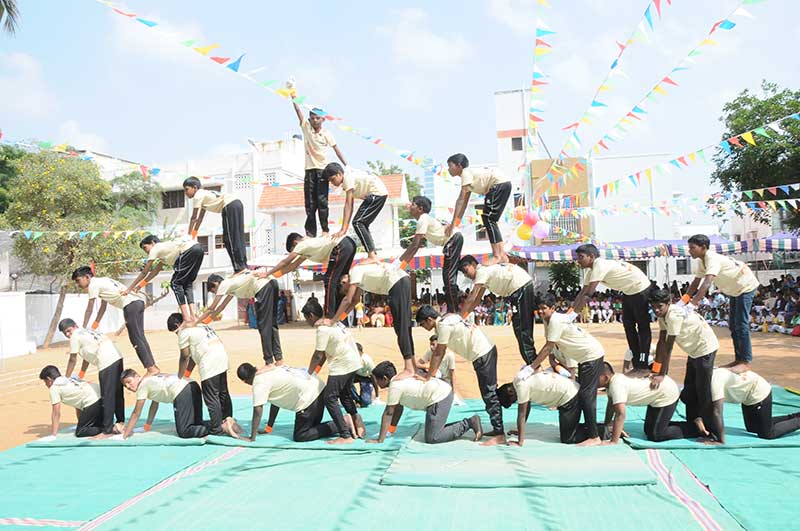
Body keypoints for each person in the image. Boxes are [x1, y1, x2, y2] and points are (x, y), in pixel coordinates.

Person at [526, 294, 605, 447]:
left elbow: (548, 346)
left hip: (591, 355)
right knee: (584, 394)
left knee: (586, 395)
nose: (541, 312)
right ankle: (596, 429)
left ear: (552, 308)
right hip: (583, 357)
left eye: (544, 308)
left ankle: (595, 436)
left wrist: (532, 367)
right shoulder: (547, 320)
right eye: (539, 309)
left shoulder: (555, 320)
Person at [416, 305, 504, 441]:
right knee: (489, 392)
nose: (423, 328)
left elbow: (439, 353)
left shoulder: (443, 326)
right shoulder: (449, 317)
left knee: (489, 393)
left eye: (422, 324)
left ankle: (499, 434)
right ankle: (497, 428)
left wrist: (428, 376)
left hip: (483, 353)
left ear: (429, 320)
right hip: (485, 351)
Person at [649, 288, 720, 440]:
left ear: (668, 303)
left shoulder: (673, 316)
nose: (656, 310)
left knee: (703, 392)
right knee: (689, 391)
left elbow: (669, 346)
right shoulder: (662, 316)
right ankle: (694, 424)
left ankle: (712, 433)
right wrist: (656, 369)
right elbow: (661, 342)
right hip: (694, 352)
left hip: (705, 349)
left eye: (659, 307)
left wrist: (662, 374)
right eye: (653, 306)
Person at [571, 244, 652, 370]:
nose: (578, 260)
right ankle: (637, 364)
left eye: (581, 257)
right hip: (628, 292)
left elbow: (589, 294)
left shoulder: (599, 264)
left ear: (591, 257)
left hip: (641, 288)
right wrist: (569, 314)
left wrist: (571, 316)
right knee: (628, 327)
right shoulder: (591, 271)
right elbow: (582, 292)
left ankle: (643, 363)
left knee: (643, 328)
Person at [685, 234, 760, 371]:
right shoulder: (701, 261)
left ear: (703, 247)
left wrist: (693, 303)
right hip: (735, 290)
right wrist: (684, 301)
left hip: (745, 285)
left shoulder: (712, 258)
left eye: (692, 248)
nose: (689, 250)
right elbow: (696, 283)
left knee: (741, 325)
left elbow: (707, 283)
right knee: (733, 325)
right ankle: (738, 359)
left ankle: (745, 361)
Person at [330, 262, 416, 376]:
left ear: (343, 282)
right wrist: (340, 319)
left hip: (396, 282)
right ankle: (413, 364)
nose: (348, 290)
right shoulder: (360, 278)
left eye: (345, 289)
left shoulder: (354, 272)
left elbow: (348, 300)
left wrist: (332, 321)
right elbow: (355, 300)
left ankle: (409, 368)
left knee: (401, 328)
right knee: (405, 326)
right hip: (401, 279)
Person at [368, 361, 482, 444]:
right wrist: (390, 431)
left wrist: (380, 439)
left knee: (433, 437)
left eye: (377, 380)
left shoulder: (395, 385)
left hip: (440, 396)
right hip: (438, 393)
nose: (376, 383)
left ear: (384, 378)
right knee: (434, 432)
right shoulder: (400, 378)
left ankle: (469, 422)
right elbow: (398, 408)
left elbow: (389, 413)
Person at [71, 266, 158, 375]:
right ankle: (153, 367)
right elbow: (103, 308)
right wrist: (94, 325)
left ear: (87, 277)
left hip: (130, 306)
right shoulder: (103, 281)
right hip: (137, 303)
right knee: (140, 337)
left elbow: (90, 308)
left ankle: (151, 369)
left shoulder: (93, 285)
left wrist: (83, 328)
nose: (78, 285)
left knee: (136, 339)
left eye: (78, 281)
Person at [302, 299, 364, 444]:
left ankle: (345, 435)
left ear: (311, 315)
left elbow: (318, 354)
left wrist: (308, 373)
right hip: (352, 360)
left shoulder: (322, 329)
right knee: (345, 394)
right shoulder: (332, 322)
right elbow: (323, 354)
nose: (307, 322)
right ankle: (356, 419)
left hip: (342, 364)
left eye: (306, 318)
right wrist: (315, 371)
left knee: (329, 398)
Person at [167, 313, 238, 437]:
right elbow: (194, 357)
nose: (177, 335)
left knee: (211, 397)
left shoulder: (184, 332)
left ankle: (217, 429)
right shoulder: (200, 325)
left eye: (175, 332)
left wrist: (179, 376)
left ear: (178, 325)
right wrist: (187, 374)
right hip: (221, 357)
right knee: (223, 392)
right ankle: (228, 421)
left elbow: (185, 357)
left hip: (209, 363)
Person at [458, 255, 536, 363]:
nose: (466, 275)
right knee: (521, 329)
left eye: (466, 271)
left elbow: (472, 297)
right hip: (521, 286)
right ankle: (533, 363)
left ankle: (533, 365)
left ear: (473, 265)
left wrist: (458, 319)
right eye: (463, 273)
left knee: (522, 330)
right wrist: (464, 317)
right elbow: (476, 300)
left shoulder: (481, 271)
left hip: (520, 287)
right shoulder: (484, 274)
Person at [289, 94, 347, 237]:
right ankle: (310, 232)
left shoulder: (327, 134)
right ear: (309, 119)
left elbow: (336, 149)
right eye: (312, 118)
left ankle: (325, 230)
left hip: (322, 171)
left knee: (322, 202)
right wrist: (293, 94)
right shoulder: (306, 128)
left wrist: (346, 165)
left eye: (317, 118)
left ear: (323, 119)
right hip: (309, 170)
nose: (315, 120)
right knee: (310, 203)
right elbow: (298, 111)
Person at [236, 362, 338, 442]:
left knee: (301, 435)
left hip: (309, 398)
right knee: (313, 427)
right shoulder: (270, 369)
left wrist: (252, 437)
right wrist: (269, 427)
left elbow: (258, 410)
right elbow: (275, 402)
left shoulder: (259, 382)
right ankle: (341, 422)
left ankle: (341, 424)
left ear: (245, 380)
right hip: (319, 389)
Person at [198, 272, 283, 365]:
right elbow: (222, 306)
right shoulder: (231, 285)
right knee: (272, 324)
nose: (216, 293)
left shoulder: (223, 285)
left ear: (215, 284)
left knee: (264, 326)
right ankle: (279, 359)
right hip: (272, 282)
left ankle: (269, 361)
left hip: (263, 287)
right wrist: (207, 321)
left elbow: (212, 308)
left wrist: (197, 322)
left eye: (214, 291)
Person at [263, 233, 356, 318]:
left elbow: (285, 262)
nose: (296, 253)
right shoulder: (309, 246)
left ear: (295, 243)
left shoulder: (301, 245)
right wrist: (274, 275)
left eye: (293, 250)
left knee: (329, 280)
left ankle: (329, 316)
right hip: (350, 244)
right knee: (341, 283)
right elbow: (293, 266)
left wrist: (267, 273)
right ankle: (340, 317)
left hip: (340, 245)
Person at [397, 196, 463, 313]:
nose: (410, 207)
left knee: (448, 277)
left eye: (413, 204)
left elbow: (415, 245)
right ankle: (453, 310)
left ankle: (453, 312)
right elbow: (415, 246)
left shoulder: (423, 218)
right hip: (452, 240)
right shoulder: (423, 219)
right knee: (448, 277)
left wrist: (400, 264)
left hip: (453, 239)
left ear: (420, 208)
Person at [58, 319, 124, 434]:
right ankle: (121, 421)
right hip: (117, 356)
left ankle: (107, 428)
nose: (68, 334)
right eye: (65, 333)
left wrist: (67, 378)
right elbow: (86, 357)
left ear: (75, 326)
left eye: (69, 331)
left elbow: (73, 359)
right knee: (118, 392)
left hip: (106, 361)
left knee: (107, 395)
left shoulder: (75, 336)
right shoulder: (86, 331)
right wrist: (81, 374)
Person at [699, 367, 800, 443]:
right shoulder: (707, 375)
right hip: (747, 395)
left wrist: (720, 440)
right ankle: (794, 416)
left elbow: (717, 412)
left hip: (759, 392)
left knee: (767, 433)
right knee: (752, 428)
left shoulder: (714, 383)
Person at [599, 362, 689, 444]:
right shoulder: (612, 383)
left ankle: (694, 428)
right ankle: (665, 423)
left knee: (656, 435)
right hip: (655, 397)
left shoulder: (616, 385)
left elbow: (620, 414)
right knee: (648, 430)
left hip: (667, 394)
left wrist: (614, 440)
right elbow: (611, 405)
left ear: (606, 378)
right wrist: (607, 425)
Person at [445, 154, 512, 264]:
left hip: (498, 184)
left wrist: (452, 225)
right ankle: (502, 255)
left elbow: (460, 200)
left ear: (459, 166)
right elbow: (464, 204)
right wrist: (456, 224)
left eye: (450, 166)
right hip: (503, 184)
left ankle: (497, 255)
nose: (448, 170)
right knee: (490, 219)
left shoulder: (465, 173)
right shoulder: (469, 178)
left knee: (488, 219)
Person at [497, 366, 588, 445]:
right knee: (568, 430)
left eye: (513, 400)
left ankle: (597, 431)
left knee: (568, 438)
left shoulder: (521, 387)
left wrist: (520, 442)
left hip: (570, 396)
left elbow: (522, 414)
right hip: (569, 394)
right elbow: (527, 406)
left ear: (510, 392)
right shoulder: (518, 380)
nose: (516, 401)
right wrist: (519, 429)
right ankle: (591, 427)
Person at [127, 235, 204, 322]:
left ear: (152, 242)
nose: (146, 252)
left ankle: (186, 318)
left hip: (189, 250)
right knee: (187, 284)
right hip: (199, 249)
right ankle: (193, 316)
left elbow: (144, 272)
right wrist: (139, 286)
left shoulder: (156, 248)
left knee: (175, 283)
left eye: (145, 248)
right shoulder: (164, 252)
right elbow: (155, 272)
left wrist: (129, 289)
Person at [119, 369, 209, 439]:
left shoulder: (142, 385)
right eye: (125, 385)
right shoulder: (151, 379)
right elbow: (154, 405)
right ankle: (217, 425)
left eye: (129, 382)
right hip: (193, 385)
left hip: (182, 391)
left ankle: (217, 427)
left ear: (137, 376)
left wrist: (125, 434)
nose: (127, 386)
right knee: (196, 423)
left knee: (184, 432)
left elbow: (136, 413)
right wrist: (147, 426)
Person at [323, 163, 388, 260]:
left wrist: (343, 229)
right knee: (362, 224)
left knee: (358, 223)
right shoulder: (349, 178)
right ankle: (373, 253)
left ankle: (372, 256)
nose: (332, 183)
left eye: (333, 179)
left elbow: (349, 204)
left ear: (339, 174)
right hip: (377, 194)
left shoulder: (347, 178)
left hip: (376, 194)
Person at [183, 177, 248, 272]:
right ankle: (243, 264)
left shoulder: (198, 195)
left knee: (229, 239)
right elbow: (200, 218)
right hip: (236, 203)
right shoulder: (205, 194)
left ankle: (239, 268)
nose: (185, 193)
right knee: (238, 236)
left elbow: (194, 218)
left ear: (195, 187)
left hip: (229, 205)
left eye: (186, 189)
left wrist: (188, 236)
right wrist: (193, 235)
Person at [39, 365, 108, 439]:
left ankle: (109, 429)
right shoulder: (68, 379)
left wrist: (53, 435)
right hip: (103, 399)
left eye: (45, 381)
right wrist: (81, 422)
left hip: (92, 402)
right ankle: (108, 426)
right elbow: (78, 405)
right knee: (94, 425)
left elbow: (56, 413)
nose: (46, 384)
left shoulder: (54, 387)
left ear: (49, 379)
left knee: (81, 431)